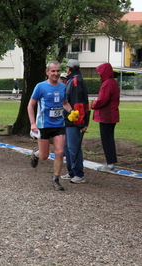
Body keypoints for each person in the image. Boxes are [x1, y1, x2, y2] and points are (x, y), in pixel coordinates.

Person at [27, 61, 74, 191]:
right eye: (53, 71)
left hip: (59, 124)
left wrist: (72, 111)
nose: (56, 73)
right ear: (47, 72)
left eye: (58, 71)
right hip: (44, 125)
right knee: (44, 156)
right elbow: (30, 105)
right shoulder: (40, 87)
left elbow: (64, 103)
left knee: (60, 152)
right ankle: (36, 154)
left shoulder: (62, 86)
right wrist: (32, 123)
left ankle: (55, 180)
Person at [61, 59, 90, 184]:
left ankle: (79, 173)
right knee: (67, 147)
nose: (66, 70)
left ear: (70, 69)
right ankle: (71, 171)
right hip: (68, 119)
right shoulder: (72, 80)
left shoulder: (75, 81)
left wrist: (81, 122)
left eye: (67, 67)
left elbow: (78, 103)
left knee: (73, 147)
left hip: (73, 119)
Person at [91, 62, 120, 173]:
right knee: (109, 139)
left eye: (100, 72)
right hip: (111, 115)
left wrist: (93, 105)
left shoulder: (107, 83)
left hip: (107, 116)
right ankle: (110, 162)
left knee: (106, 139)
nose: (99, 74)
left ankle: (110, 163)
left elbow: (102, 100)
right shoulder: (113, 83)